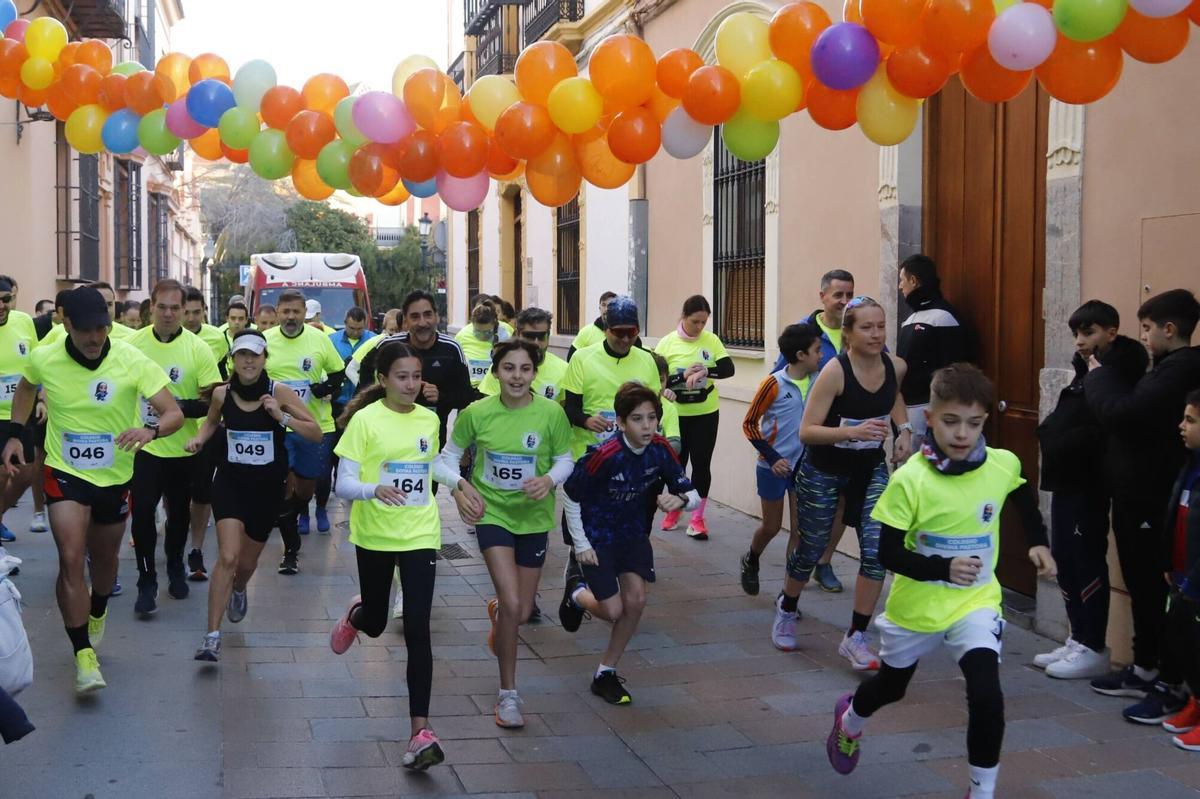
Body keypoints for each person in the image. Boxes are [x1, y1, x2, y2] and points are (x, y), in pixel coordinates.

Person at [824, 364, 1055, 799]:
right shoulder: (911, 479)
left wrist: (1038, 543)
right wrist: (941, 569)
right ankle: (850, 719)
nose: (963, 433)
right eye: (951, 421)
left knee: (987, 696)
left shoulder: (1002, 464)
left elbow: (1022, 496)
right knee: (892, 687)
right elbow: (886, 553)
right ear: (929, 419)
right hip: (917, 607)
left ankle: (980, 793)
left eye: (975, 423)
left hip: (976, 602)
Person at [2, 287, 183, 693]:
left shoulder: (131, 358)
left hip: (115, 477)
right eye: (85, 330)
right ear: (66, 324)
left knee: (105, 563)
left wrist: (149, 430)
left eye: (101, 329)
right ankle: (83, 653)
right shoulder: (45, 356)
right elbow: (26, 387)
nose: (94, 338)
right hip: (64, 471)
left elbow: (172, 412)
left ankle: (97, 609)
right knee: (70, 556)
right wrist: (17, 433)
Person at [328, 339, 460, 771]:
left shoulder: (428, 417)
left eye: (417, 376)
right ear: (382, 380)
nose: (411, 384)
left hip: (420, 532)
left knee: (418, 626)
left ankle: (420, 732)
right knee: (379, 622)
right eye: (401, 377)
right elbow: (343, 482)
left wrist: (460, 485)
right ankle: (357, 615)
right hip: (375, 536)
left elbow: (431, 465)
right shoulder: (365, 421)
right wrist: (374, 490)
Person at [439, 340, 573, 728]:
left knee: (523, 609)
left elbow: (566, 459)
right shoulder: (477, 413)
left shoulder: (551, 414)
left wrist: (548, 480)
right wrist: (461, 489)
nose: (517, 376)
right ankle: (508, 695)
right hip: (492, 514)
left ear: (535, 373)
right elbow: (446, 458)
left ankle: (501, 613)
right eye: (509, 368)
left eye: (525, 369)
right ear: (495, 372)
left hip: (534, 518)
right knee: (515, 603)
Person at [777, 297, 911, 669]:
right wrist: (850, 431)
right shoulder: (834, 372)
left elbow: (894, 396)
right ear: (847, 334)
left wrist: (906, 430)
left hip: (870, 470)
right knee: (812, 546)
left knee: (876, 551)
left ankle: (856, 636)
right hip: (823, 470)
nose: (876, 334)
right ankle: (787, 606)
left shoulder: (895, 365)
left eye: (881, 326)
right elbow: (806, 431)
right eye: (866, 327)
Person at [1085, 289, 1200, 715]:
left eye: (1148, 329)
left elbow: (1126, 414)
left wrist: (1098, 376)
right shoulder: (1167, 367)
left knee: (1155, 589)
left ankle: (1168, 681)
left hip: (1153, 498)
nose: (1145, 337)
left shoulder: (1180, 370)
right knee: (1141, 586)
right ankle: (1146, 667)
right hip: (1139, 496)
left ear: (1170, 329)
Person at [558, 383, 700, 705]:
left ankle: (605, 672)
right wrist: (580, 544)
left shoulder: (661, 449)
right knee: (612, 610)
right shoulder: (603, 455)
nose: (647, 426)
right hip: (597, 537)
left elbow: (693, 494)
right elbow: (569, 495)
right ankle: (577, 593)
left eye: (652, 418)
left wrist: (679, 500)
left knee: (635, 603)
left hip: (633, 534)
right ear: (621, 422)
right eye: (637, 419)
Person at [186, 330, 321, 662]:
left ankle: (240, 587)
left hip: (266, 489)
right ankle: (211, 636)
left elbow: (315, 432)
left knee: (245, 564)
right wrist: (200, 440)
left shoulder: (280, 392)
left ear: (264, 359)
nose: (248, 361)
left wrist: (282, 416)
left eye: (255, 355)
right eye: (242, 355)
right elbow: (211, 422)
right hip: (230, 483)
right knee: (228, 556)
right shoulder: (222, 393)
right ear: (233, 359)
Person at [1034, 301, 1145, 679]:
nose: (1080, 342)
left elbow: (1105, 423)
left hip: (1089, 481)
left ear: (1111, 332)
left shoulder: (1116, 373)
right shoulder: (1089, 369)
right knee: (1066, 557)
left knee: (1084, 559)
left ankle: (1093, 644)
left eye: (1089, 333)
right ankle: (1078, 636)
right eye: (1077, 334)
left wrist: (1062, 440)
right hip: (1068, 477)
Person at [350, 291, 472, 619]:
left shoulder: (451, 348)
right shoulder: (387, 348)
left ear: (436, 316)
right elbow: (363, 382)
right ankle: (372, 605)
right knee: (374, 615)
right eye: (415, 316)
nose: (422, 322)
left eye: (428, 315)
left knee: (415, 517)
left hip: (424, 451)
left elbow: (467, 395)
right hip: (382, 455)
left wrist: (440, 395)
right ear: (405, 320)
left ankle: (406, 591)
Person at [127, 280, 223, 615]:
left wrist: (179, 408)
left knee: (179, 516)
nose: (168, 314)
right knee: (141, 515)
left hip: (183, 448)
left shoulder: (198, 349)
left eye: (175, 308)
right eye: (162, 307)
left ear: (183, 310)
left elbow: (213, 400)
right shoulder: (131, 345)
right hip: (145, 449)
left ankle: (175, 567)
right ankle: (146, 579)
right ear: (150, 307)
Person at [771, 269, 857, 593]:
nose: (845, 302)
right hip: (809, 440)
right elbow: (778, 381)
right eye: (839, 295)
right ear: (823, 297)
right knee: (807, 518)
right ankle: (791, 586)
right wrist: (775, 441)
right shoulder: (803, 335)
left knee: (844, 504)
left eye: (850, 294)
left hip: (849, 438)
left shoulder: (859, 331)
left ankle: (825, 561)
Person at [265, 289, 346, 575]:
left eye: (295, 312)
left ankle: (295, 510)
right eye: (285, 311)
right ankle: (290, 550)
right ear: (277, 313)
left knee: (308, 487)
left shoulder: (319, 340)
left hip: (312, 426)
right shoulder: (265, 341)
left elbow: (339, 373)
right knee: (283, 488)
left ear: (304, 313)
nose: (290, 317)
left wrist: (326, 389)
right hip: (276, 428)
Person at [740, 323, 822, 597]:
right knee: (772, 526)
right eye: (816, 351)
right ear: (800, 355)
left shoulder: (820, 381)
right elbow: (749, 424)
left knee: (799, 532)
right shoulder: (773, 384)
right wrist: (773, 458)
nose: (821, 355)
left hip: (804, 468)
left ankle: (788, 595)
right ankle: (751, 558)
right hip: (772, 467)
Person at [655, 295, 735, 540]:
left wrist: (705, 370)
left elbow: (728, 369)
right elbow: (656, 377)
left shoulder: (711, 340)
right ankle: (676, 508)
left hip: (705, 412)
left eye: (704, 322)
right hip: (676, 414)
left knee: (702, 464)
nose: (700, 327)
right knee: (676, 464)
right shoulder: (667, 343)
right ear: (683, 317)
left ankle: (698, 518)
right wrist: (680, 377)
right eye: (695, 322)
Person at [311, 307, 376, 535]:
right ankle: (322, 501)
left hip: (363, 408)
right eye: (351, 328)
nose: (355, 332)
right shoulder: (331, 340)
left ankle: (351, 488)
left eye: (359, 329)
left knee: (357, 454)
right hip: (336, 405)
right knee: (328, 454)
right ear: (344, 323)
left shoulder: (374, 342)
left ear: (365, 325)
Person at [180, 287, 230, 583]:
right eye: (185, 312)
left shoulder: (216, 338)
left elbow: (221, 381)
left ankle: (195, 550)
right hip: (165, 431)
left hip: (203, 424)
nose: (190, 318)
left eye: (196, 313)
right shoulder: (152, 338)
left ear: (203, 313)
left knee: (201, 493)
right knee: (173, 497)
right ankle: (174, 544)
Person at [896, 254, 970, 450]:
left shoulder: (945, 317)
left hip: (929, 409)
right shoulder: (910, 319)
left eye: (902, 280)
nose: (899, 286)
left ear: (914, 281)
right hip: (906, 410)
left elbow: (953, 369)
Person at [1162, 390, 1200, 751]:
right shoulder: (1190, 464)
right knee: (1184, 640)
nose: (1181, 426)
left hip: (1197, 580)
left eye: (1190, 420)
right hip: (1182, 573)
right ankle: (1195, 703)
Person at [0, 280, 39, 544]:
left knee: (26, 472)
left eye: (6, 299)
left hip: (20, 414)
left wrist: (42, 397)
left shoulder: (24, 321)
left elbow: (37, 364)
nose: (1, 305)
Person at [479, 307, 568, 404]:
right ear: (518, 334)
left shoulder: (564, 369)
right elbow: (488, 410)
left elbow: (562, 412)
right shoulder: (503, 367)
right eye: (530, 336)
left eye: (541, 336)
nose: (536, 343)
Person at [456, 304, 502, 390]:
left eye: (487, 332)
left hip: (495, 390)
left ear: (494, 325)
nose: (482, 336)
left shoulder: (505, 333)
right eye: (478, 331)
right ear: (472, 324)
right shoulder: (462, 335)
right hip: (470, 389)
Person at [568, 291, 617, 360]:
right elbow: (571, 358)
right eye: (603, 305)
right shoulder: (586, 332)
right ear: (599, 307)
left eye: (611, 305)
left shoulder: (625, 333)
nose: (606, 309)